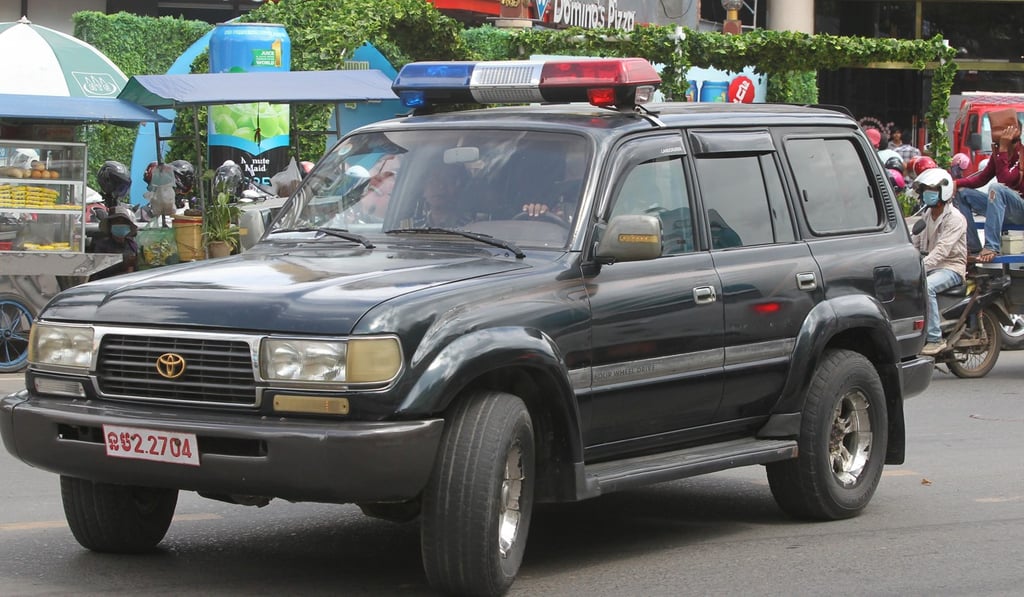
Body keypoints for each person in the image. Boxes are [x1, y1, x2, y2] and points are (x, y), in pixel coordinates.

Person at [910, 167, 967, 356]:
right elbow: (915, 243)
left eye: (933, 190)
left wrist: (920, 268)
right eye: (926, 190)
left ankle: (935, 338)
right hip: (930, 265)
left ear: (944, 191)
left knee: (927, 287)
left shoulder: (955, 219)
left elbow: (942, 251)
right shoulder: (926, 215)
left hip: (951, 267)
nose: (928, 194)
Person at [953, 123, 1024, 261]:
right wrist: (956, 183)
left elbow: (1005, 181)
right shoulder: (998, 155)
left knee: (997, 188)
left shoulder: (1020, 153)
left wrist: (1003, 149)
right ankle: (973, 246)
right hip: (1002, 209)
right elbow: (981, 179)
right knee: (962, 193)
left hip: (1020, 210)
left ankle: (991, 246)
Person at [88, 204, 139, 279]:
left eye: (123, 222)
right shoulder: (101, 245)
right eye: (117, 221)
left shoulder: (132, 245)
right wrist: (125, 265)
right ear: (110, 225)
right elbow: (99, 271)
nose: (120, 224)